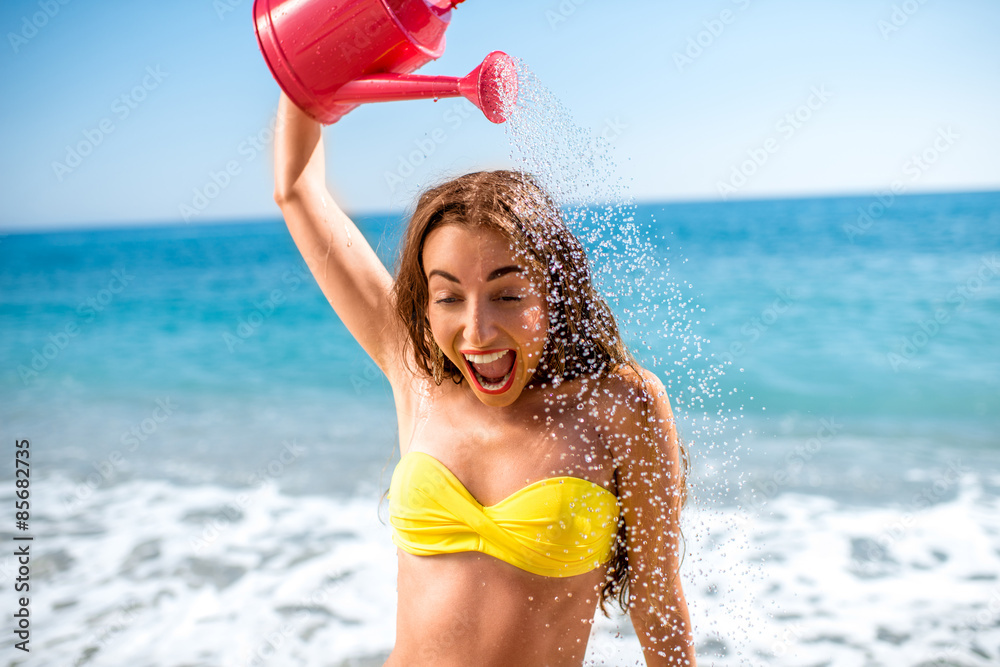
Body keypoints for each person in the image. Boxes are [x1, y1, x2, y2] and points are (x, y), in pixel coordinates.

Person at [272, 91, 696, 666]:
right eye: (449, 296)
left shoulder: (621, 403)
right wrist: (307, 71)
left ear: (555, 291)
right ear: (425, 303)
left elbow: (657, 601)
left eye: (508, 294)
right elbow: (297, 189)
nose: (477, 330)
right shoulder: (415, 371)